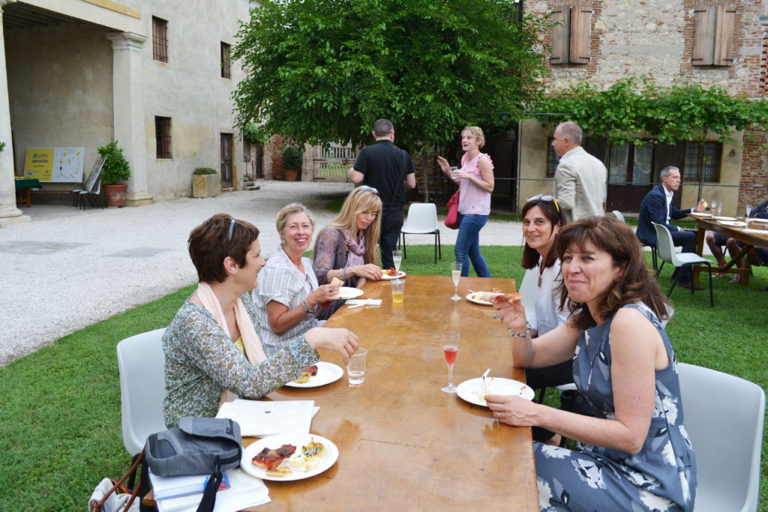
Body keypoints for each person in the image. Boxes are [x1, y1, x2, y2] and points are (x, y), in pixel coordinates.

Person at [488, 216, 696, 511]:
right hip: (604, 462)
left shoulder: (628, 323)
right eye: (568, 257)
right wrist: (520, 326)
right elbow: (528, 358)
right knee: (505, 455)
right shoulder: (589, 317)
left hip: (648, 485)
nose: (572, 268)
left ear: (620, 267)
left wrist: (536, 414)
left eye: (587, 258)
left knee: (505, 463)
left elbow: (631, 436)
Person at [162, 213, 359, 428]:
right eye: (256, 256)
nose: (263, 263)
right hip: (200, 434)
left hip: (243, 412)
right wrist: (310, 339)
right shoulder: (196, 323)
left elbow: (258, 370)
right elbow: (249, 382)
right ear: (232, 265)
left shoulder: (239, 302)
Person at [253, 204, 342, 356]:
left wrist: (323, 299)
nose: (301, 232)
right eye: (293, 227)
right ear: (281, 233)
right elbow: (277, 326)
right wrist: (313, 300)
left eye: (305, 226)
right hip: (284, 353)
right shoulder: (278, 270)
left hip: (308, 338)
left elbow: (308, 313)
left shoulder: (306, 263)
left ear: (312, 231)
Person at [517, 195, 571, 443]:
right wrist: (524, 334)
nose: (531, 228)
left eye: (540, 222)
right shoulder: (541, 259)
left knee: (509, 376)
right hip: (548, 347)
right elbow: (538, 316)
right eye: (527, 222)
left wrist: (530, 348)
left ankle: (551, 436)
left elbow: (568, 330)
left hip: (571, 358)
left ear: (557, 226)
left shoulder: (564, 266)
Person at [349, 119, 416, 269]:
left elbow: (356, 178)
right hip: (395, 212)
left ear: (374, 134)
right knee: (389, 254)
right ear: (392, 134)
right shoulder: (404, 155)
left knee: (366, 253)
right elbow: (412, 183)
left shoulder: (367, 152)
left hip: (371, 213)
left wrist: (350, 171)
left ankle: (367, 285)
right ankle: (390, 287)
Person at [312, 187, 384, 319]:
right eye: (364, 212)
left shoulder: (363, 235)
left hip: (354, 303)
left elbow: (364, 273)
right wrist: (354, 270)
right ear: (352, 210)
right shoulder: (331, 234)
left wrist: (363, 280)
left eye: (374, 213)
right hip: (330, 308)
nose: (369, 218)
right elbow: (319, 276)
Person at [636, 165, 706, 290]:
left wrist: (694, 210)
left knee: (695, 235)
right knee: (690, 237)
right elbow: (658, 223)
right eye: (674, 177)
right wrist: (678, 229)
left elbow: (673, 213)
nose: (679, 180)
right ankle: (684, 279)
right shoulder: (656, 196)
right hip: (652, 235)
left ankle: (680, 274)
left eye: (679, 178)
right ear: (665, 179)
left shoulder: (667, 193)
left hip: (661, 232)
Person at [437, 126, 494, 277]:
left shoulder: (483, 160)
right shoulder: (465, 158)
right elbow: (462, 183)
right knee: (473, 252)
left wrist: (469, 176)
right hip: (464, 210)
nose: (464, 140)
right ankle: (488, 284)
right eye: (463, 137)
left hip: (476, 213)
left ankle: (462, 287)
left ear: (479, 141)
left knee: (460, 250)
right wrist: (448, 171)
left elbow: (490, 186)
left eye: (469, 138)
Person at [551, 121, 607, 221]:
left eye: (555, 139)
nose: (553, 143)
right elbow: (602, 198)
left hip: (577, 230)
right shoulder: (598, 164)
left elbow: (565, 202)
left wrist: (545, 205)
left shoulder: (566, 165)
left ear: (566, 141)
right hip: (598, 228)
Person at [723, 200, 768, 284]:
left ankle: (755, 261)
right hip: (754, 234)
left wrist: (758, 216)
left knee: (757, 248)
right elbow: (750, 214)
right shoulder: (764, 204)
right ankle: (740, 272)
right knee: (731, 241)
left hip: (763, 240)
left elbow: (758, 216)